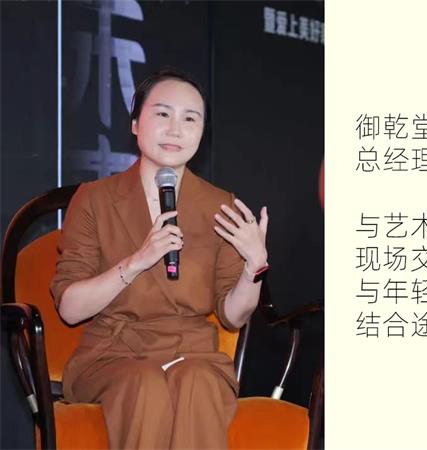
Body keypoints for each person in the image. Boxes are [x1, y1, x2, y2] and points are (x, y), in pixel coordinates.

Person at [50, 69, 269, 449]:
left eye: (190, 119)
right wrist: (137, 260)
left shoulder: (221, 206)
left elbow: (234, 316)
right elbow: (70, 309)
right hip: (113, 355)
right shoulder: (95, 199)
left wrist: (254, 266)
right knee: (145, 385)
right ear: (136, 123)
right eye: (163, 114)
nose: (175, 129)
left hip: (194, 353)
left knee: (198, 382)